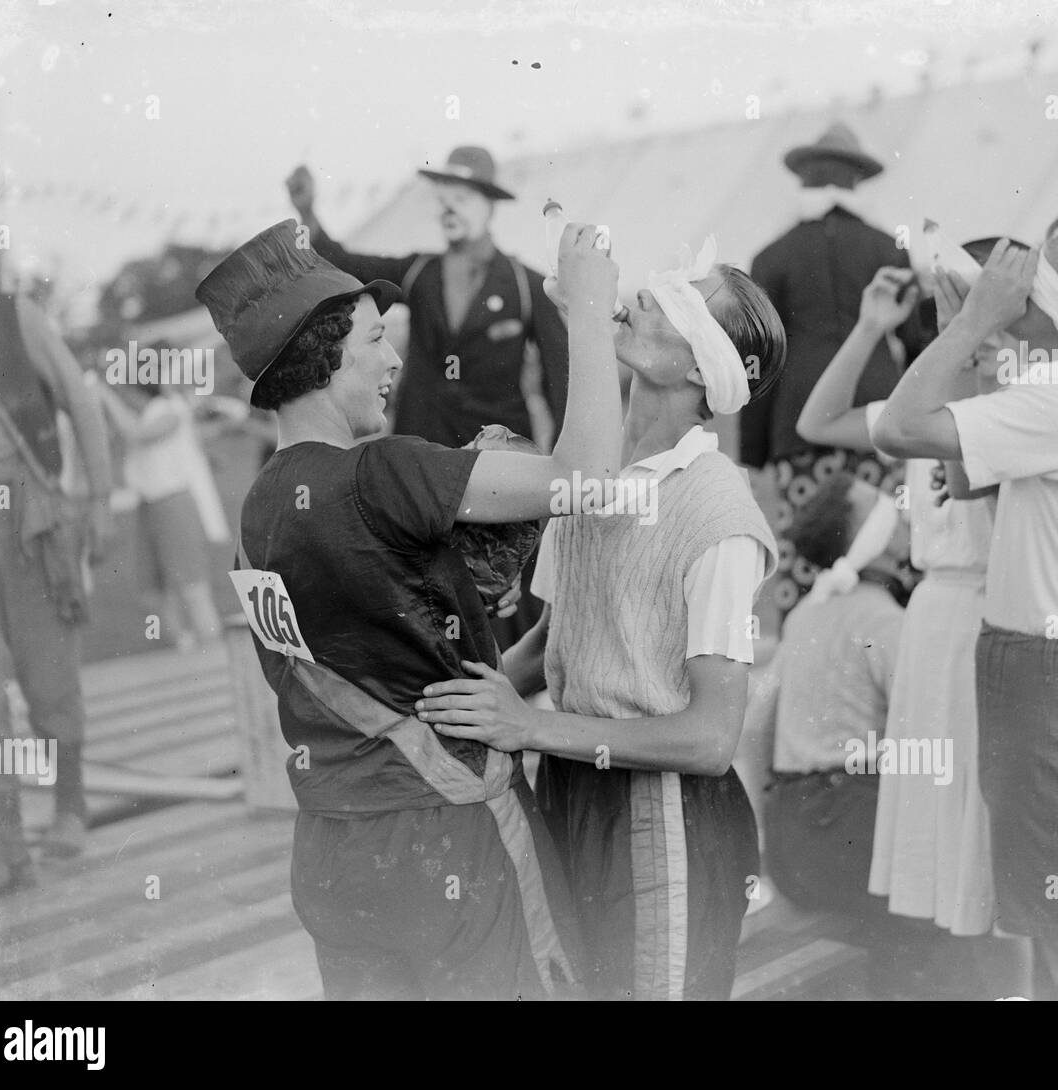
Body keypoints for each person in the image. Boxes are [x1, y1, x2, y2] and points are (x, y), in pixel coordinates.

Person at [197, 217, 623, 999]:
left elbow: (381, 669)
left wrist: (523, 662)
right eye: (372, 341)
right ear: (324, 358)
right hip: (450, 837)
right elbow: (589, 475)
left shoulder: (257, 511)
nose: (395, 358)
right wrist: (589, 313)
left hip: (332, 854)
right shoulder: (382, 474)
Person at [416, 238, 786, 1000]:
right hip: (573, 790)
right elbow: (561, 636)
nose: (646, 294)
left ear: (697, 368)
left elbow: (713, 738)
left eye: (680, 301)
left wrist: (528, 727)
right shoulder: (591, 474)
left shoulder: (718, 513)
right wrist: (442, 699)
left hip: (663, 816)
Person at [872, 207, 1058, 1000]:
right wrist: (964, 333)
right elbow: (973, 481)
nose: (1023, 279)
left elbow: (900, 428)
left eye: (1044, 268)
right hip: (1046, 681)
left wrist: (972, 322)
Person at [795, 251, 1030, 998]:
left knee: (987, 835)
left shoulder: (1021, 399)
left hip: (994, 609)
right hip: (935, 615)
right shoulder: (919, 410)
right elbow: (817, 420)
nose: (950, 319)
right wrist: (869, 329)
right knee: (940, 845)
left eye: (961, 304)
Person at [287, 147, 570, 649]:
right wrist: (308, 213)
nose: (448, 209)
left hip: (496, 467)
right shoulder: (419, 273)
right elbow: (342, 262)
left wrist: (563, 476)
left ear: (487, 205)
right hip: (424, 462)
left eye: (460, 197)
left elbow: (561, 388)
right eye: (442, 199)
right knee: (427, 596)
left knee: (502, 598)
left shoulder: (527, 287)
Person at [0, 213, 115, 905]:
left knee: (49, 681)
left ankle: (70, 807)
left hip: (28, 517)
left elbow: (82, 406)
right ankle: (8, 852)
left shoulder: (7, 315)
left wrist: (100, 499)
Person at [740, 122, 923, 623]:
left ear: (805, 180)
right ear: (856, 181)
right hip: (874, 419)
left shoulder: (771, 257)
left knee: (811, 538)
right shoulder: (888, 249)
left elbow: (760, 358)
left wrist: (754, 450)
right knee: (882, 533)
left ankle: (809, 629)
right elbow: (915, 345)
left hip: (798, 422)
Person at [758, 469, 908, 916]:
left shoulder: (805, 614)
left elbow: (757, 727)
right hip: (854, 832)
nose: (897, 514)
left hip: (793, 836)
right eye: (881, 510)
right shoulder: (885, 620)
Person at [96, 378, 223, 650]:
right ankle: (181, 640)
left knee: (191, 582)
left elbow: (136, 433)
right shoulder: (139, 415)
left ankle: (211, 643)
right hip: (148, 504)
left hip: (173, 500)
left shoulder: (169, 410)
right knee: (153, 587)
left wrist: (106, 396)